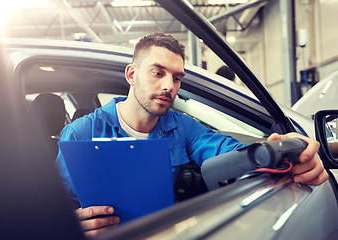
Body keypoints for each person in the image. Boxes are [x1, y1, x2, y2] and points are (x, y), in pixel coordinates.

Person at [55, 32, 328, 238]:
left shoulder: (181, 127)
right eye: (157, 72)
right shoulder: (81, 133)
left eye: (176, 78)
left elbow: (230, 152)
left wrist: (286, 153)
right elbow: (52, 209)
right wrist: (72, 225)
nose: (168, 86)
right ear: (131, 74)